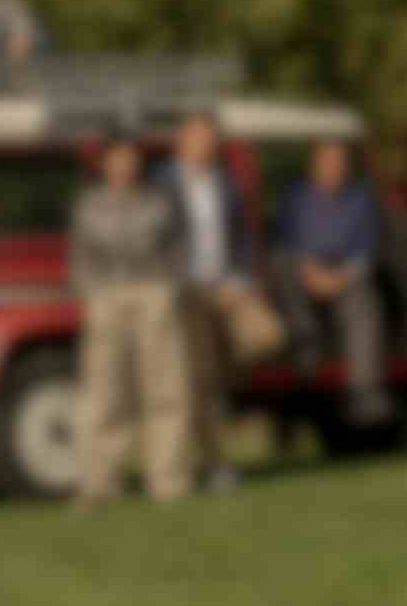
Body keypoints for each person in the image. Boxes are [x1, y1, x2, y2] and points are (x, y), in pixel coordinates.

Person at [70, 139, 193, 507]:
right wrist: (89, 292)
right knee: (105, 391)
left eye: (130, 160)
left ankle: (168, 481)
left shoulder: (160, 203)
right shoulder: (88, 206)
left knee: (166, 389)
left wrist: (171, 288)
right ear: (105, 165)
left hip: (154, 293)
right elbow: (79, 255)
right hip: (106, 296)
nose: (123, 166)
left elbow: (179, 248)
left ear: (139, 165)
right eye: (116, 160)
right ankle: (102, 482)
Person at [155, 110, 251, 493]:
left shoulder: (226, 184)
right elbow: (157, 238)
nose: (203, 145)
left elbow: (241, 238)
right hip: (185, 292)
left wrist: (237, 280)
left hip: (224, 288)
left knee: (262, 343)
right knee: (196, 379)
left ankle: (207, 462)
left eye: (209, 138)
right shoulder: (161, 182)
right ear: (182, 141)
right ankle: (205, 465)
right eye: (196, 137)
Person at [274, 140, 391, 425]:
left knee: (364, 302)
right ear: (314, 165)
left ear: (347, 167)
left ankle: (364, 391)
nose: (333, 168)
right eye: (327, 161)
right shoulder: (295, 199)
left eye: (339, 162)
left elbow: (366, 250)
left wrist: (340, 278)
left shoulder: (361, 201)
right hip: (303, 273)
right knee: (283, 269)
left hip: (345, 276)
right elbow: (283, 242)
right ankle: (306, 356)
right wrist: (309, 271)